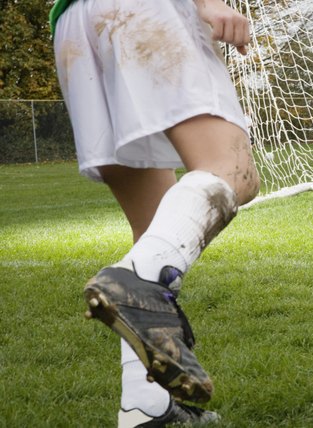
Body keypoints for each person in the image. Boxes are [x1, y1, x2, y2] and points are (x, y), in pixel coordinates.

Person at [50, 0, 259, 425]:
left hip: (74, 25)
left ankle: (143, 405)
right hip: (146, 9)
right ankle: (139, 283)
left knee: (151, 233)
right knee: (234, 172)